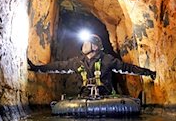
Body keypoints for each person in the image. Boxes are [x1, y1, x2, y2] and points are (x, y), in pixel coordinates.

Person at [28, 34, 156, 96]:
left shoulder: (107, 60)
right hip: (84, 97)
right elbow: (58, 67)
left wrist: (148, 72)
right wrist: (37, 68)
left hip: (104, 97)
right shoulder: (77, 62)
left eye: (86, 43)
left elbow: (128, 68)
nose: (83, 45)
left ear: (95, 46)